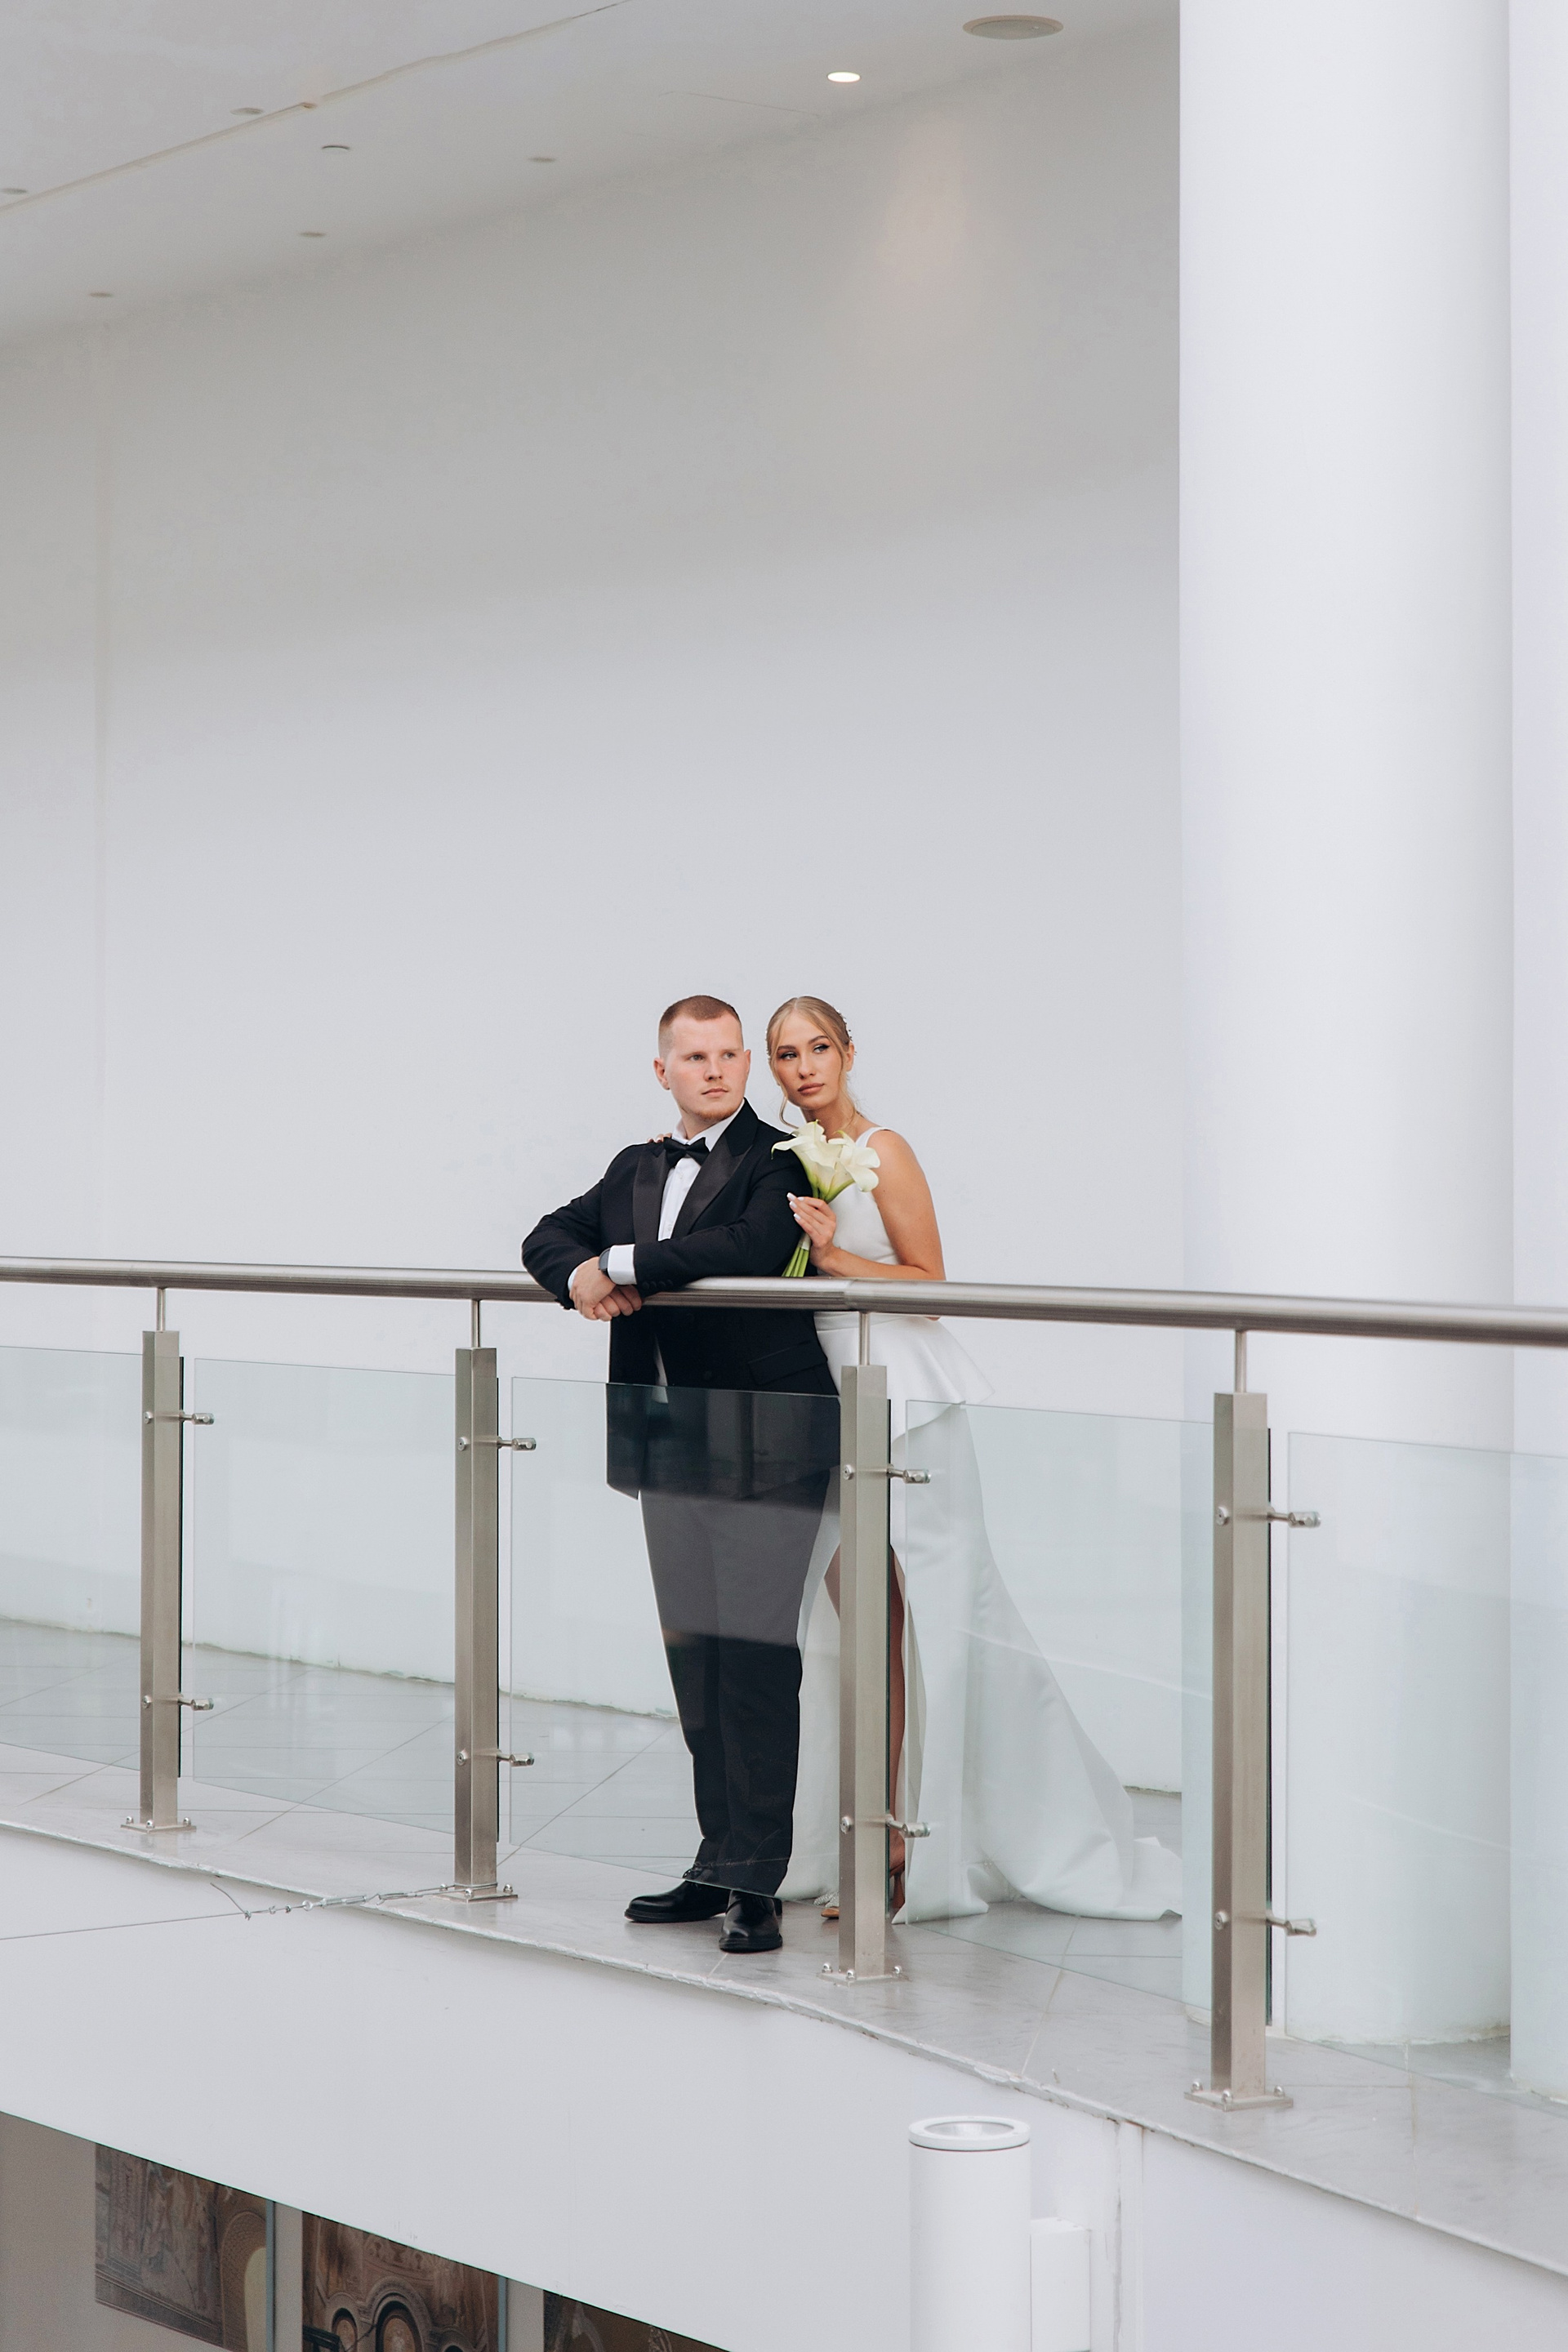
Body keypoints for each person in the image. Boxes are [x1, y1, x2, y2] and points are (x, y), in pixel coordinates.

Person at [766, 995, 1182, 1927]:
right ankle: (869, 1827)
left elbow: (933, 1286)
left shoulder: (886, 1149)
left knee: (940, 1609)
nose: (805, 1067)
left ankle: (926, 1837)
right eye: (787, 1054)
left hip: (906, 1397)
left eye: (819, 1047)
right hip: (820, 1399)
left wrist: (836, 1261)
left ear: (848, 1051)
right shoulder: (779, 1157)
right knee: (850, 1616)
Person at [521, 995, 838, 1955]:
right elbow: (545, 1235)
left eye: (729, 1054)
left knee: (756, 1661)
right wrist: (577, 1275)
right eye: (696, 1057)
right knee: (696, 1658)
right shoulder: (635, 1165)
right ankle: (715, 1859)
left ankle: (758, 1882)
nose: (716, 1070)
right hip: (666, 1439)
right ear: (663, 1071)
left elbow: (744, 1248)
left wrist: (617, 1262)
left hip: (766, 1435)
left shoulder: (781, 1158)